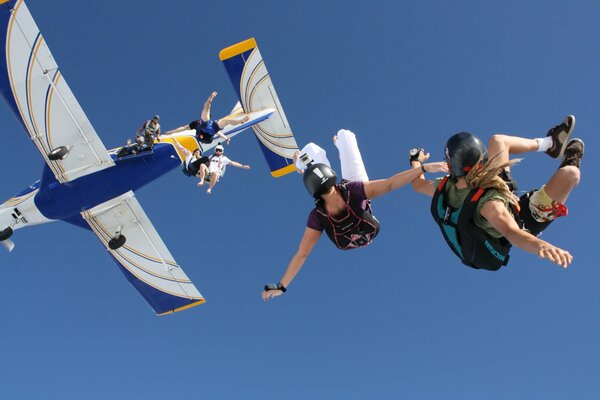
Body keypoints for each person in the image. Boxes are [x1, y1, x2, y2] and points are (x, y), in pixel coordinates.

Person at [262, 129, 448, 301]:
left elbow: (302, 254)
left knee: (314, 148)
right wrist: (422, 168)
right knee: (345, 135)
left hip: (351, 221)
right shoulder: (353, 190)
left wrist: (282, 286)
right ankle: (306, 163)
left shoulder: (318, 216)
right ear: (334, 179)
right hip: (355, 201)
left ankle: (304, 165)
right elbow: (390, 184)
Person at [410, 115, 583, 271]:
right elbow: (512, 232)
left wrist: (417, 161)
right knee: (571, 175)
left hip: (499, 194)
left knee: (498, 141)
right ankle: (565, 163)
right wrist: (541, 246)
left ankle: (551, 144)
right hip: (523, 219)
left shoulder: (445, 185)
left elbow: (418, 184)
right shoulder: (489, 204)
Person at [164, 91, 249, 145]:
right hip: (206, 130)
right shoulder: (199, 122)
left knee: (225, 121)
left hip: (209, 129)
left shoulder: (205, 122)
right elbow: (184, 128)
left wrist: (226, 138)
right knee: (221, 119)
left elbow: (184, 128)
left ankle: (240, 121)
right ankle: (210, 100)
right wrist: (172, 132)